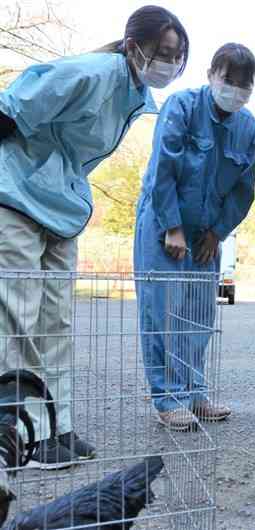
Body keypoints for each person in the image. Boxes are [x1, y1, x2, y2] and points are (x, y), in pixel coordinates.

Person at [0, 5, 187, 469]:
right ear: (133, 46)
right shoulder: (89, 73)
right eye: (163, 52)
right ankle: (24, 434)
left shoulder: (134, 96)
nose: (169, 63)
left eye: (178, 56)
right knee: (20, 319)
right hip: (16, 195)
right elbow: (11, 110)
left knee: (57, 320)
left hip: (61, 207)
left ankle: (58, 427)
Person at [134, 43, 255, 431]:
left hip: (207, 234)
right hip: (163, 224)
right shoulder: (181, 107)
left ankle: (194, 393)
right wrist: (172, 226)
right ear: (211, 75)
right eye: (228, 80)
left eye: (244, 84)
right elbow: (163, 168)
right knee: (163, 313)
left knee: (199, 315)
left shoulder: (248, 127)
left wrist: (219, 232)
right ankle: (168, 397)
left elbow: (243, 190)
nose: (234, 89)